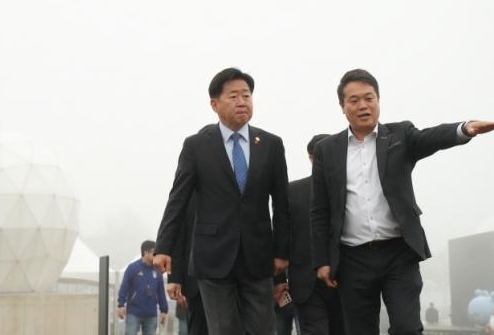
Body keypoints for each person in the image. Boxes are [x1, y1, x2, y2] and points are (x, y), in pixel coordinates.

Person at [310, 68, 494, 335]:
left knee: (407, 328)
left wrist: (464, 129)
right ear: (342, 106)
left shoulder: (399, 135)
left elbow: (430, 137)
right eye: (354, 100)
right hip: (352, 259)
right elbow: (319, 210)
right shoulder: (326, 150)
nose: (363, 106)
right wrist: (322, 261)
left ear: (378, 100)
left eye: (369, 98)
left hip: (398, 253)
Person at [154, 67, 290, 335]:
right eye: (234, 96)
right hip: (212, 256)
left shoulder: (271, 144)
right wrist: (164, 247)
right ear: (214, 104)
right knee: (223, 329)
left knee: (263, 329)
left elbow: (282, 203)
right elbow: (178, 199)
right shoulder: (196, 146)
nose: (242, 101)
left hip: (258, 254)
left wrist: (282, 251)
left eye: (246, 95)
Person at [287, 134, 345, 335]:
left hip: (317, 280)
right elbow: (281, 237)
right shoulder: (291, 192)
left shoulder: (292, 191)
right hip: (318, 282)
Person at [166, 189, 208, 335]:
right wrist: (175, 279)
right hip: (195, 280)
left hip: (233, 278)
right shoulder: (188, 192)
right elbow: (178, 238)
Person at [118, 240, 169, 335]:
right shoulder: (133, 268)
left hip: (151, 314)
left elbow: (161, 292)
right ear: (146, 252)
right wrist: (121, 305)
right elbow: (124, 287)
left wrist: (164, 311)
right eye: (154, 252)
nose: (156, 255)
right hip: (134, 312)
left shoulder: (158, 271)